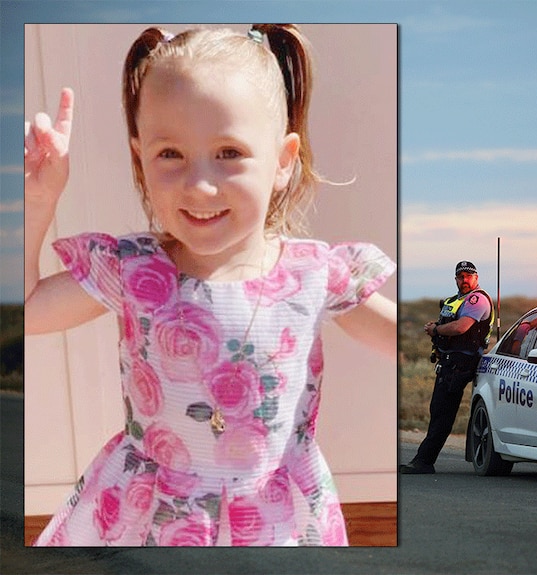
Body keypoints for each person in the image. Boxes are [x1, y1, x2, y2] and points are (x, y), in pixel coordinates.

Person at [24, 24, 395, 547]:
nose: (199, 185)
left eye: (229, 153)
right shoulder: (132, 270)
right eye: (169, 154)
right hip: (149, 517)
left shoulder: (316, 276)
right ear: (140, 157)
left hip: (271, 522)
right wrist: (37, 204)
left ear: (283, 161)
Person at [400, 261, 493, 474]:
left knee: (443, 412)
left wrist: (436, 330)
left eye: (469, 276)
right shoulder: (455, 301)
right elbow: (449, 324)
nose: (465, 280)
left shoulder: (477, 300)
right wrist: (436, 330)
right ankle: (423, 459)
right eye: (460, 276)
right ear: (455, 279)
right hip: (449, 362)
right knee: (438, 410)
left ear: (476, 278)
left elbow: (462, 327)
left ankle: (424, 460)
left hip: (462, 363)